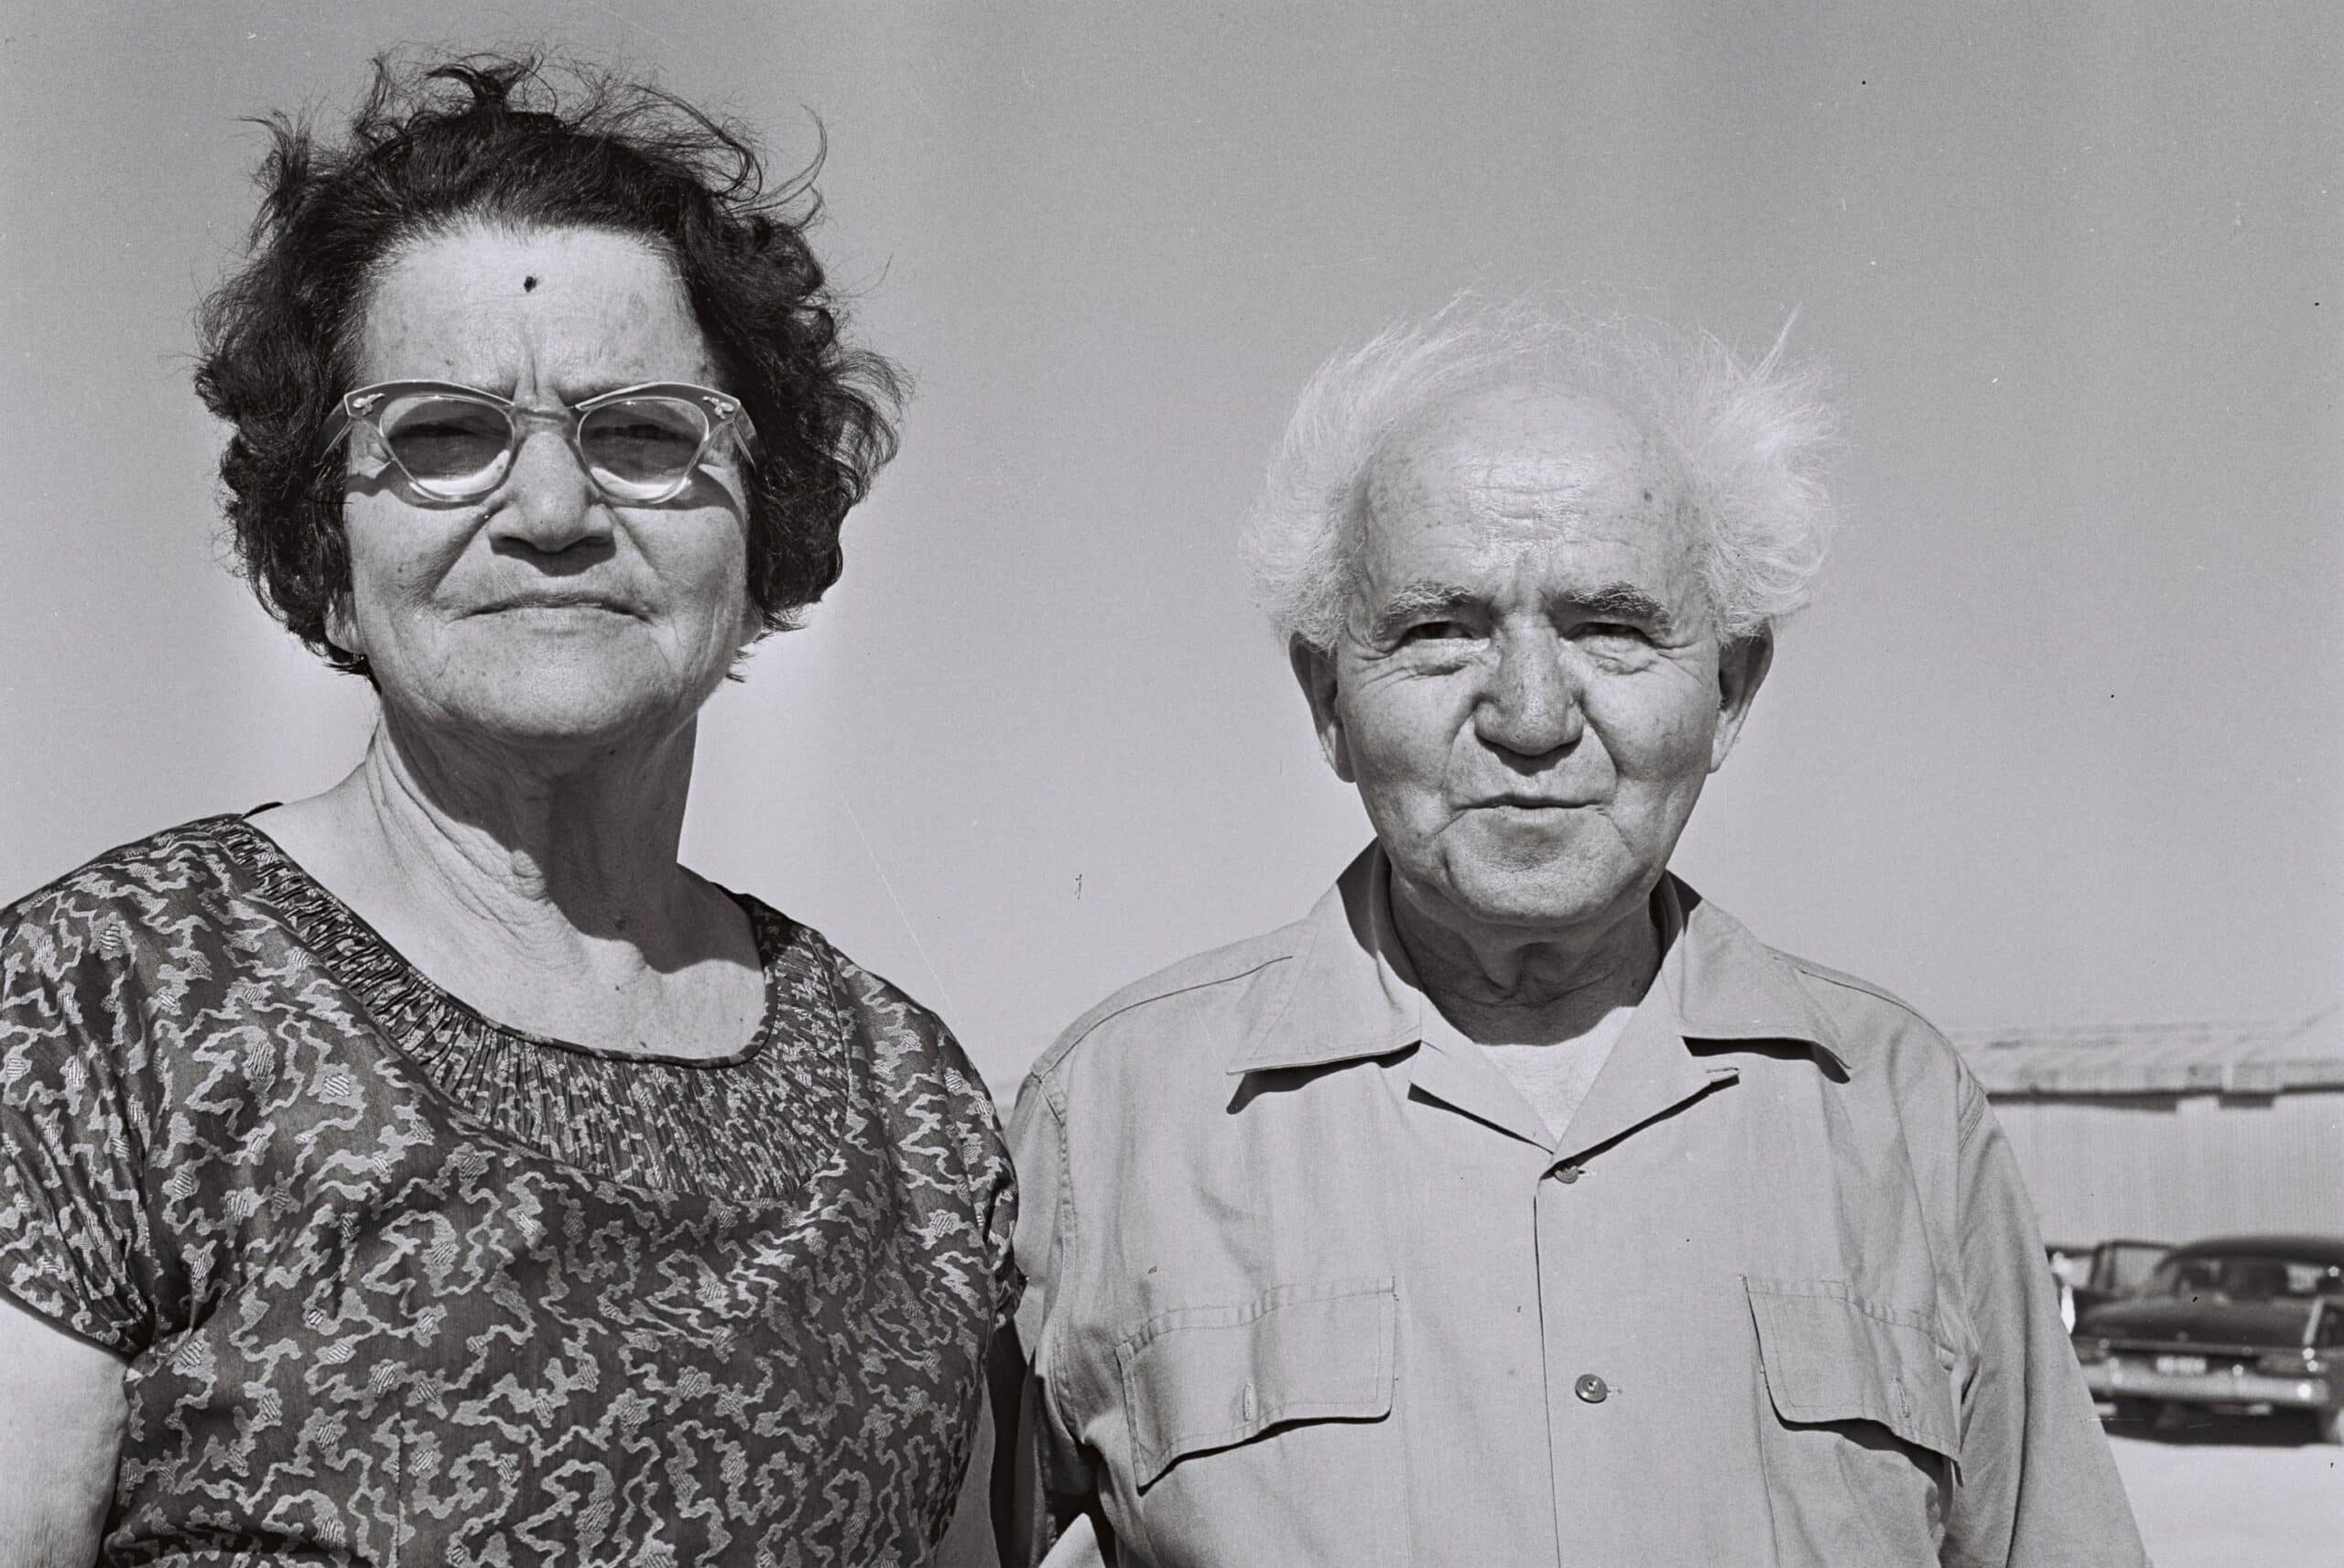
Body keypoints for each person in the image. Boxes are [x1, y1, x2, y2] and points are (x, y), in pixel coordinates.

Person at [0, 58, 1014, 1566]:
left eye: (646, 433)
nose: (551, 511)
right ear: (325, 541)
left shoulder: (913, 1104)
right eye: (443, 436)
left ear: (766, 519)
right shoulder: (99, 1005)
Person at [1004, 304, 2147, 1564]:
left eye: (1612, 628)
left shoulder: (1905, 1115)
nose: (1533, 716)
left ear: (1731, 692)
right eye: (1440, 631)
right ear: (1327, 698)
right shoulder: (1107, 1122)